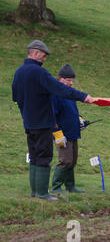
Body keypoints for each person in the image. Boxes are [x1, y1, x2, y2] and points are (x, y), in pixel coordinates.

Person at [12, 40, 93, 201]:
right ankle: (42, 193)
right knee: (44, 155)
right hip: (43, 122)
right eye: (43, 56)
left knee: (34, 156)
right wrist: (83, 96)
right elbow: (60, 89)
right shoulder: (39, 73)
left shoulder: (19, 72)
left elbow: (16, 97)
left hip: (28, 121)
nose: (44, 59)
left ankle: (35, 192)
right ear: (35, 53)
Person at [51, 64, 86, 194]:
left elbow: (73, 112)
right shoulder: (55, 95)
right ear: (60, 79)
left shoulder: (70, 94)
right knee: (65, 161)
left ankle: (70, 187)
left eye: (72, 80)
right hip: (62, 134)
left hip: (73, 133)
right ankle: (56, 187)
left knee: (72, 161)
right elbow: (52, 115)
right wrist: (57, 134)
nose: (71, 83)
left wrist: (80, 120)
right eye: (68, 80)